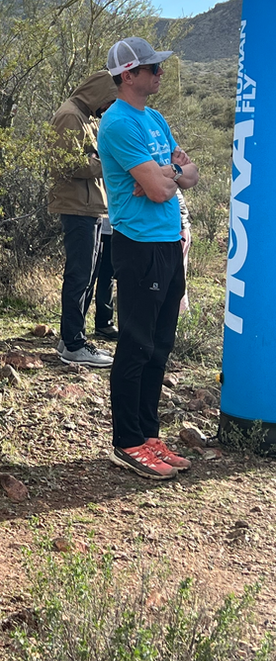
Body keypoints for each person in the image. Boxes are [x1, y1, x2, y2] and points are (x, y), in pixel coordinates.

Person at [98, 37, 199, 480]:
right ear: (129, 75)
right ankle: (128, 441)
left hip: (167, 241)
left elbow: (188, 174)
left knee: (159, 344)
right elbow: (159, 190)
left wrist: (168, 173)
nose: (159, 73)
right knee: (137, 342)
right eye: (152, 68)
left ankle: (148, 433)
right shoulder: (118, 123)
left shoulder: (154, 118)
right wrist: (164, 178)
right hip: (137, 244)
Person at [49, 71, 117, 367]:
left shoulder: (86, 116)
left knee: (87, 275)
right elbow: (68, 162)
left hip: (90, 207)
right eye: (109, 100)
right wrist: (108, 163)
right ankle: (74, 343)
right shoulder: (70, 115)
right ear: (99, 92)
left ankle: (72, 338)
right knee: (79, 275)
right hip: (77, 206)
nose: (109, 107)